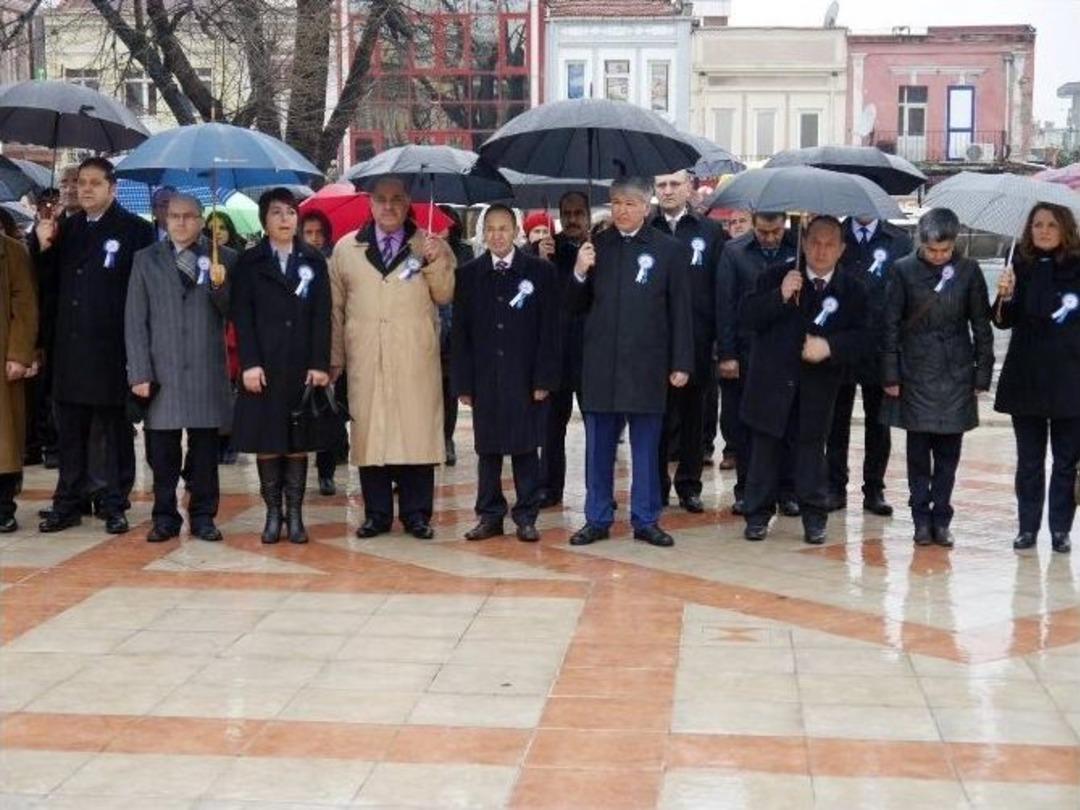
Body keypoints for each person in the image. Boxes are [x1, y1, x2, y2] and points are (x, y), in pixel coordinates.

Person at [567, 176, 693, 548]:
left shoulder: (668, 250)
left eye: (630, 204)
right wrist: (578, 271)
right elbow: (573, 308)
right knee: (599, 448)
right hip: (601, 365)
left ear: (646, 207)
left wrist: (681, 361)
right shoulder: (596, 247)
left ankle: (646, 518)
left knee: (646, 447)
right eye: (616, 203)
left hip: (647, 365)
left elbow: (680, 311)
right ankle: (598, 517)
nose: (622, 210)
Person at [32, 157, 155, 535]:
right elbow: (46, 287)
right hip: (69, 347)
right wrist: (43, 246)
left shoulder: (136, 231)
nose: (85, 189)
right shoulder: (65, 229)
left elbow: (143, 294)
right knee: (69, 430)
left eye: (94, 183)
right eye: (80, 182)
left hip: (112, 348)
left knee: (111, 432)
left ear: (112, 188)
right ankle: (68, 501)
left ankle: (113, 502)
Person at [329, 176, 455, 540]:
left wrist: (434, 261)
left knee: (414, 432)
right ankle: (377, 513)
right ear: (370, 204)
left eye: (396, 199)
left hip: (414, 353)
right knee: (371, 434)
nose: (388, 206)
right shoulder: (346, 249)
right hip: (365, 353)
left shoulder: (429, 244)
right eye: (381, 199)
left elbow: (446, 295)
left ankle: (417, 514)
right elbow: (335, 309)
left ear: (407, 203)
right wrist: (335, 357)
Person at [740, 216, 870, 544]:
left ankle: (814, 517)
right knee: (765, 452)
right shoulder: (777, 276)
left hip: (818, 385)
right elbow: (746, 317)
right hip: (772, 381)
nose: (820, 251)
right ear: (803, 242)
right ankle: (757, 514)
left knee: (811, 453)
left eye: (829, 244)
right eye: (814, 242)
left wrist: (830, 347)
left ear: (841, 249)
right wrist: (780, 296)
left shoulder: (852, 289)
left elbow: (867, 337)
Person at [125, 193, 237, 543]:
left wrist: (221, 287)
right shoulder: (145, 259)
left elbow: (234, 314)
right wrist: (139, 372)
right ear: (164, 218)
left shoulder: (225, 258)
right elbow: (135, 319)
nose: (181, 222)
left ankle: (204, 516)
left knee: (204, 453)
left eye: (189, 216)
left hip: (206, 369)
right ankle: (164, 517)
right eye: (174, 216)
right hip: (162, 371)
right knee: (162, 452)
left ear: (202, 220)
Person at [883, 208, 993, 548]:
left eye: (944, 251)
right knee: (918, 454)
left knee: (948, 454)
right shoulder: (903, 271)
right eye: (932, 250)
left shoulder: (968, 271)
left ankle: (942, 517)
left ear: (954, 243)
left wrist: (982, 374)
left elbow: (981, 325)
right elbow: (889, 326)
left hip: (956, 371)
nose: (938, 256)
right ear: (921, 241)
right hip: (915, 371)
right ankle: (920, 518)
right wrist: (890, 373)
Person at [452, 205, 560, 542]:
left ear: (516, 232)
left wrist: (544, 379)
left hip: (524, 375)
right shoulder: (469, 274)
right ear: (483, 234)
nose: (498, 235)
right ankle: (489, 514)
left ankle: (526, 515)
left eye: (504, 228)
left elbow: (549, 331)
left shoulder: (539, 272)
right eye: (491, 229)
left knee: (526, 449)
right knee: (488, 450)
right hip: (485, 375)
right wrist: (464, 383)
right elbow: (461, 333)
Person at [231, 188, 331, 544]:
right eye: (277, 212)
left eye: (291, 212)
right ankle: (273, 514)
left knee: (298, 440)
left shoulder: (314, 260)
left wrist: (320, 363)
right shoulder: (250, 262)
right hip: (265, 366)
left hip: (302, 365)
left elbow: (323, 315)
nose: (285, 218)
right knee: (269, 439)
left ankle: (297, 516)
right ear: (265, 220)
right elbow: (242, 316)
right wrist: (250, 364)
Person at [992, 203, 1080, 554]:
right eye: (1037, 225)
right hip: (1026, 378)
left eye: (1051, 225)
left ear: (1065, 229)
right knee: (1029, 461)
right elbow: (1001, 320)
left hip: (1070, 379)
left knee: (1065, 461)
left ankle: (1060, 529)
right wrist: (1005, 295)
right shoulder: (1019, 266)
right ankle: (1027, 527)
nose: (1043, 231)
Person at [826, 216, 914, 515]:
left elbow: (908, 293)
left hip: (881, 344)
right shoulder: (835, 235)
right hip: (841, 341)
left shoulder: (898, 240)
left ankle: (874, 489)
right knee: (835, 421)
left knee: (880, 423)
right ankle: (834, 486)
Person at [715, 212, 799, 516]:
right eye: (763, 232)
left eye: (776, 231)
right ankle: (746, 489)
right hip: (748, 351)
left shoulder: (798, 248)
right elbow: (724, 305)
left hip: (788, 352)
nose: (770, 238)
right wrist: (727, 354)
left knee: (788, 425)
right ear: (753, 224)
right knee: (745, 427)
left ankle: (788, 491)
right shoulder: (735, 251)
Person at [652, 170, 725, 513]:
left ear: (689, 188)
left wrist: (718, 343)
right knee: (658, 418)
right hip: (655, 343)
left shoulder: (710, 232)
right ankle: (657, 484)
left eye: (674, 184)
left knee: (695, 418)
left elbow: (720, 290)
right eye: (661, 185)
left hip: (697, 340)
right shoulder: (646, 230)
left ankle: (689, 485)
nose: (667, 191)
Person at [537, 191, 590, 508]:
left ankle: (597, 489)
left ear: (586, 215)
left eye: (578, 213)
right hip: (554, 351)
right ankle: (548, 486)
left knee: (596, 425)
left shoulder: (598, 247)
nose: (572, 219)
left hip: (588, 350)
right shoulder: (544, 250)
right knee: (551, 427)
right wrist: (540, 263)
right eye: (566, 213)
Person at [299, 209, 348, 496]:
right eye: (309, 232)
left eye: (319, 233)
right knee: (302, 413)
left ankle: (326, 471)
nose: (314, 238)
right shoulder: (293, 263)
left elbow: (337, 313)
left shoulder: (333, 265)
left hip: (329, 349)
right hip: (299, 350)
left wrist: (334, 356)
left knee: (329, 412)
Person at [0, 233, 38, 532]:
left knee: (4, 441)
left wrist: (19, 353)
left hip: (4, 358)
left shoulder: (12, 251)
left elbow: (24, 305)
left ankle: (3, 508)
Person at [439, 205, 473, 467]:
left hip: (454, 327)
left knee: (450, 391)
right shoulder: (419, 248)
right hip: (430, 329)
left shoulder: (464, 251)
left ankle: (447, 438)